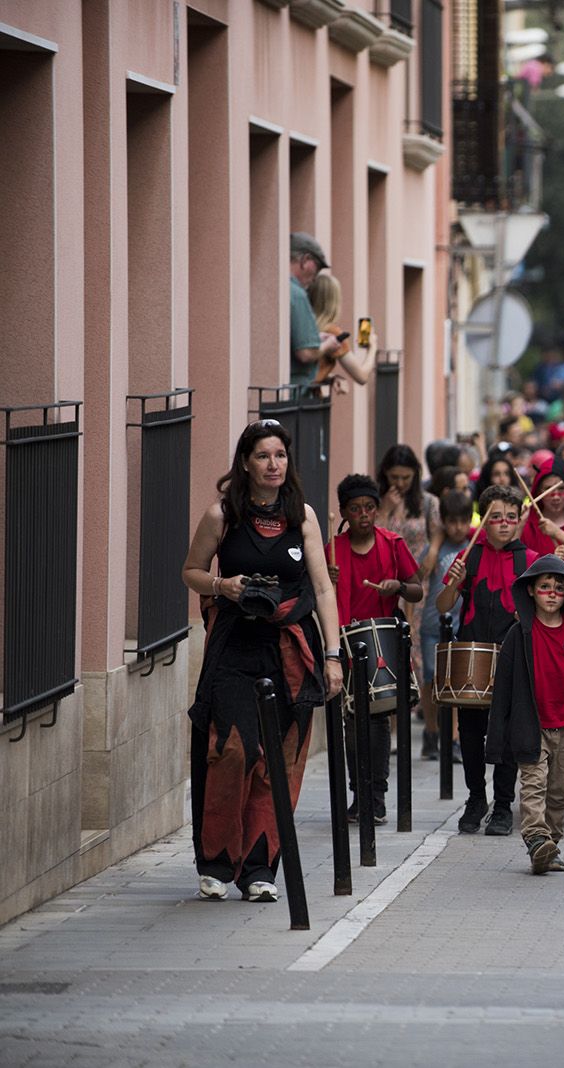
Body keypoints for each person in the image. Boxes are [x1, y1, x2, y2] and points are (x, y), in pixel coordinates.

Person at [180, 420, 342, 902]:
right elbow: (191, 571)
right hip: (234, 647)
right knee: (231, 751)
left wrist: (333, 656)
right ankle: (215, 862)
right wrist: (222, 587)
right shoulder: (221, 516)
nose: (274, 464)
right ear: (246, 463)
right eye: (264, 456)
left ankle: (259, 870)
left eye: (280, 456)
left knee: (280, 761)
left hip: (290, 649)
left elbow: (323, 588)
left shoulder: (304, 517)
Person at [486, 556, 564, 875]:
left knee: (561, 793)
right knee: (533, 785)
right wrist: (497, 739)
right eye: (544, 587)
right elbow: (502, 692)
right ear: (531, 591)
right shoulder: (517, 636)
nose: (551, 593)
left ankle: (550, 845)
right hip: (531, 724)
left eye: (559, 588)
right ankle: (536, 839)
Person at [327, 475, 424, 821]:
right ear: (344, 512)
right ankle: (359, 794)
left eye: (369, 508)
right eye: (355, 509)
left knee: (380, 719)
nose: (364, 515)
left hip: (382, 639)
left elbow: (416, 590)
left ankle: (377, 797)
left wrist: (398, 586)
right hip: (346, 642)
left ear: (377, 510)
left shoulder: (393, 543)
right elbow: (317, 593)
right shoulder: (333, 551)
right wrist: (326, 578)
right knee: (352, 722)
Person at [437, 485, 530, 835]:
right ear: (484, 521)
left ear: (520, 520)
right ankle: (476, 798)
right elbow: (443, 606)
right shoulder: (468, 557)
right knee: (472, 733)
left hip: (512, 658)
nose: (503, 524)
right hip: (473, 656)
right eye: (495, 518)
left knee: (507, 736)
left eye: (510, 517)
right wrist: (453, 584)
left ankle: (504, 806)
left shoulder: (529, 560)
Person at [420, 490, 474, 760]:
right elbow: (421, 578)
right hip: (432, 622)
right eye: (452, 521)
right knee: (430, 678)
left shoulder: (474, 544)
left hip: (460, 623)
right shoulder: (435, 548)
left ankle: (452, 737)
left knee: (455, 682)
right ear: (443, 521)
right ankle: (431, 732)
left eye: (463, 521)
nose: (458, 527)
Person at [377, 444, 443, 587]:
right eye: (394, 477)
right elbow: (372, 537)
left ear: (415, 474)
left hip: (420, 581)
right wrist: (385, 511)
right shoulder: (375, 502)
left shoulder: (428, 502)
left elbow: (437, 530)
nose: (400, 483)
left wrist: (433, 551)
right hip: (385, 580)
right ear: (385, 473)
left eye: (406, 477)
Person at [288, 233, 341, 390]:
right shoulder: (297, 294)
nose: (315, 277)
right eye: (317, 268)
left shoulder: (279, 287)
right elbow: (306, 353)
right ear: (305, 261)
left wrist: (316, 338)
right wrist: (327, 346)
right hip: (296, 396)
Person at [307, 272, 372, 391]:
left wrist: (329, 377)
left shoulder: (304, 327)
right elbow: (362, 377)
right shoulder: (332, 333)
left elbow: (309, 373)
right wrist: (373, 348)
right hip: (310, 403)